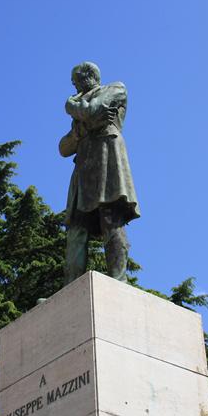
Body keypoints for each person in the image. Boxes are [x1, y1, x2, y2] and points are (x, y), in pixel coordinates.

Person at [59, 62, 140, 285]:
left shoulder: (115, 89)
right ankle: (71, 286)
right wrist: (83, 128)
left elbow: (92, 110)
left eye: (76, 80)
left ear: (88, 76)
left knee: (110, 217)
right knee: (76, 228)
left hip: (107, 156)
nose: (74, 86)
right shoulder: (83, 105)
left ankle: (119, 279)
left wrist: (71, 106)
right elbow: (63, 148)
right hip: (83, 167)